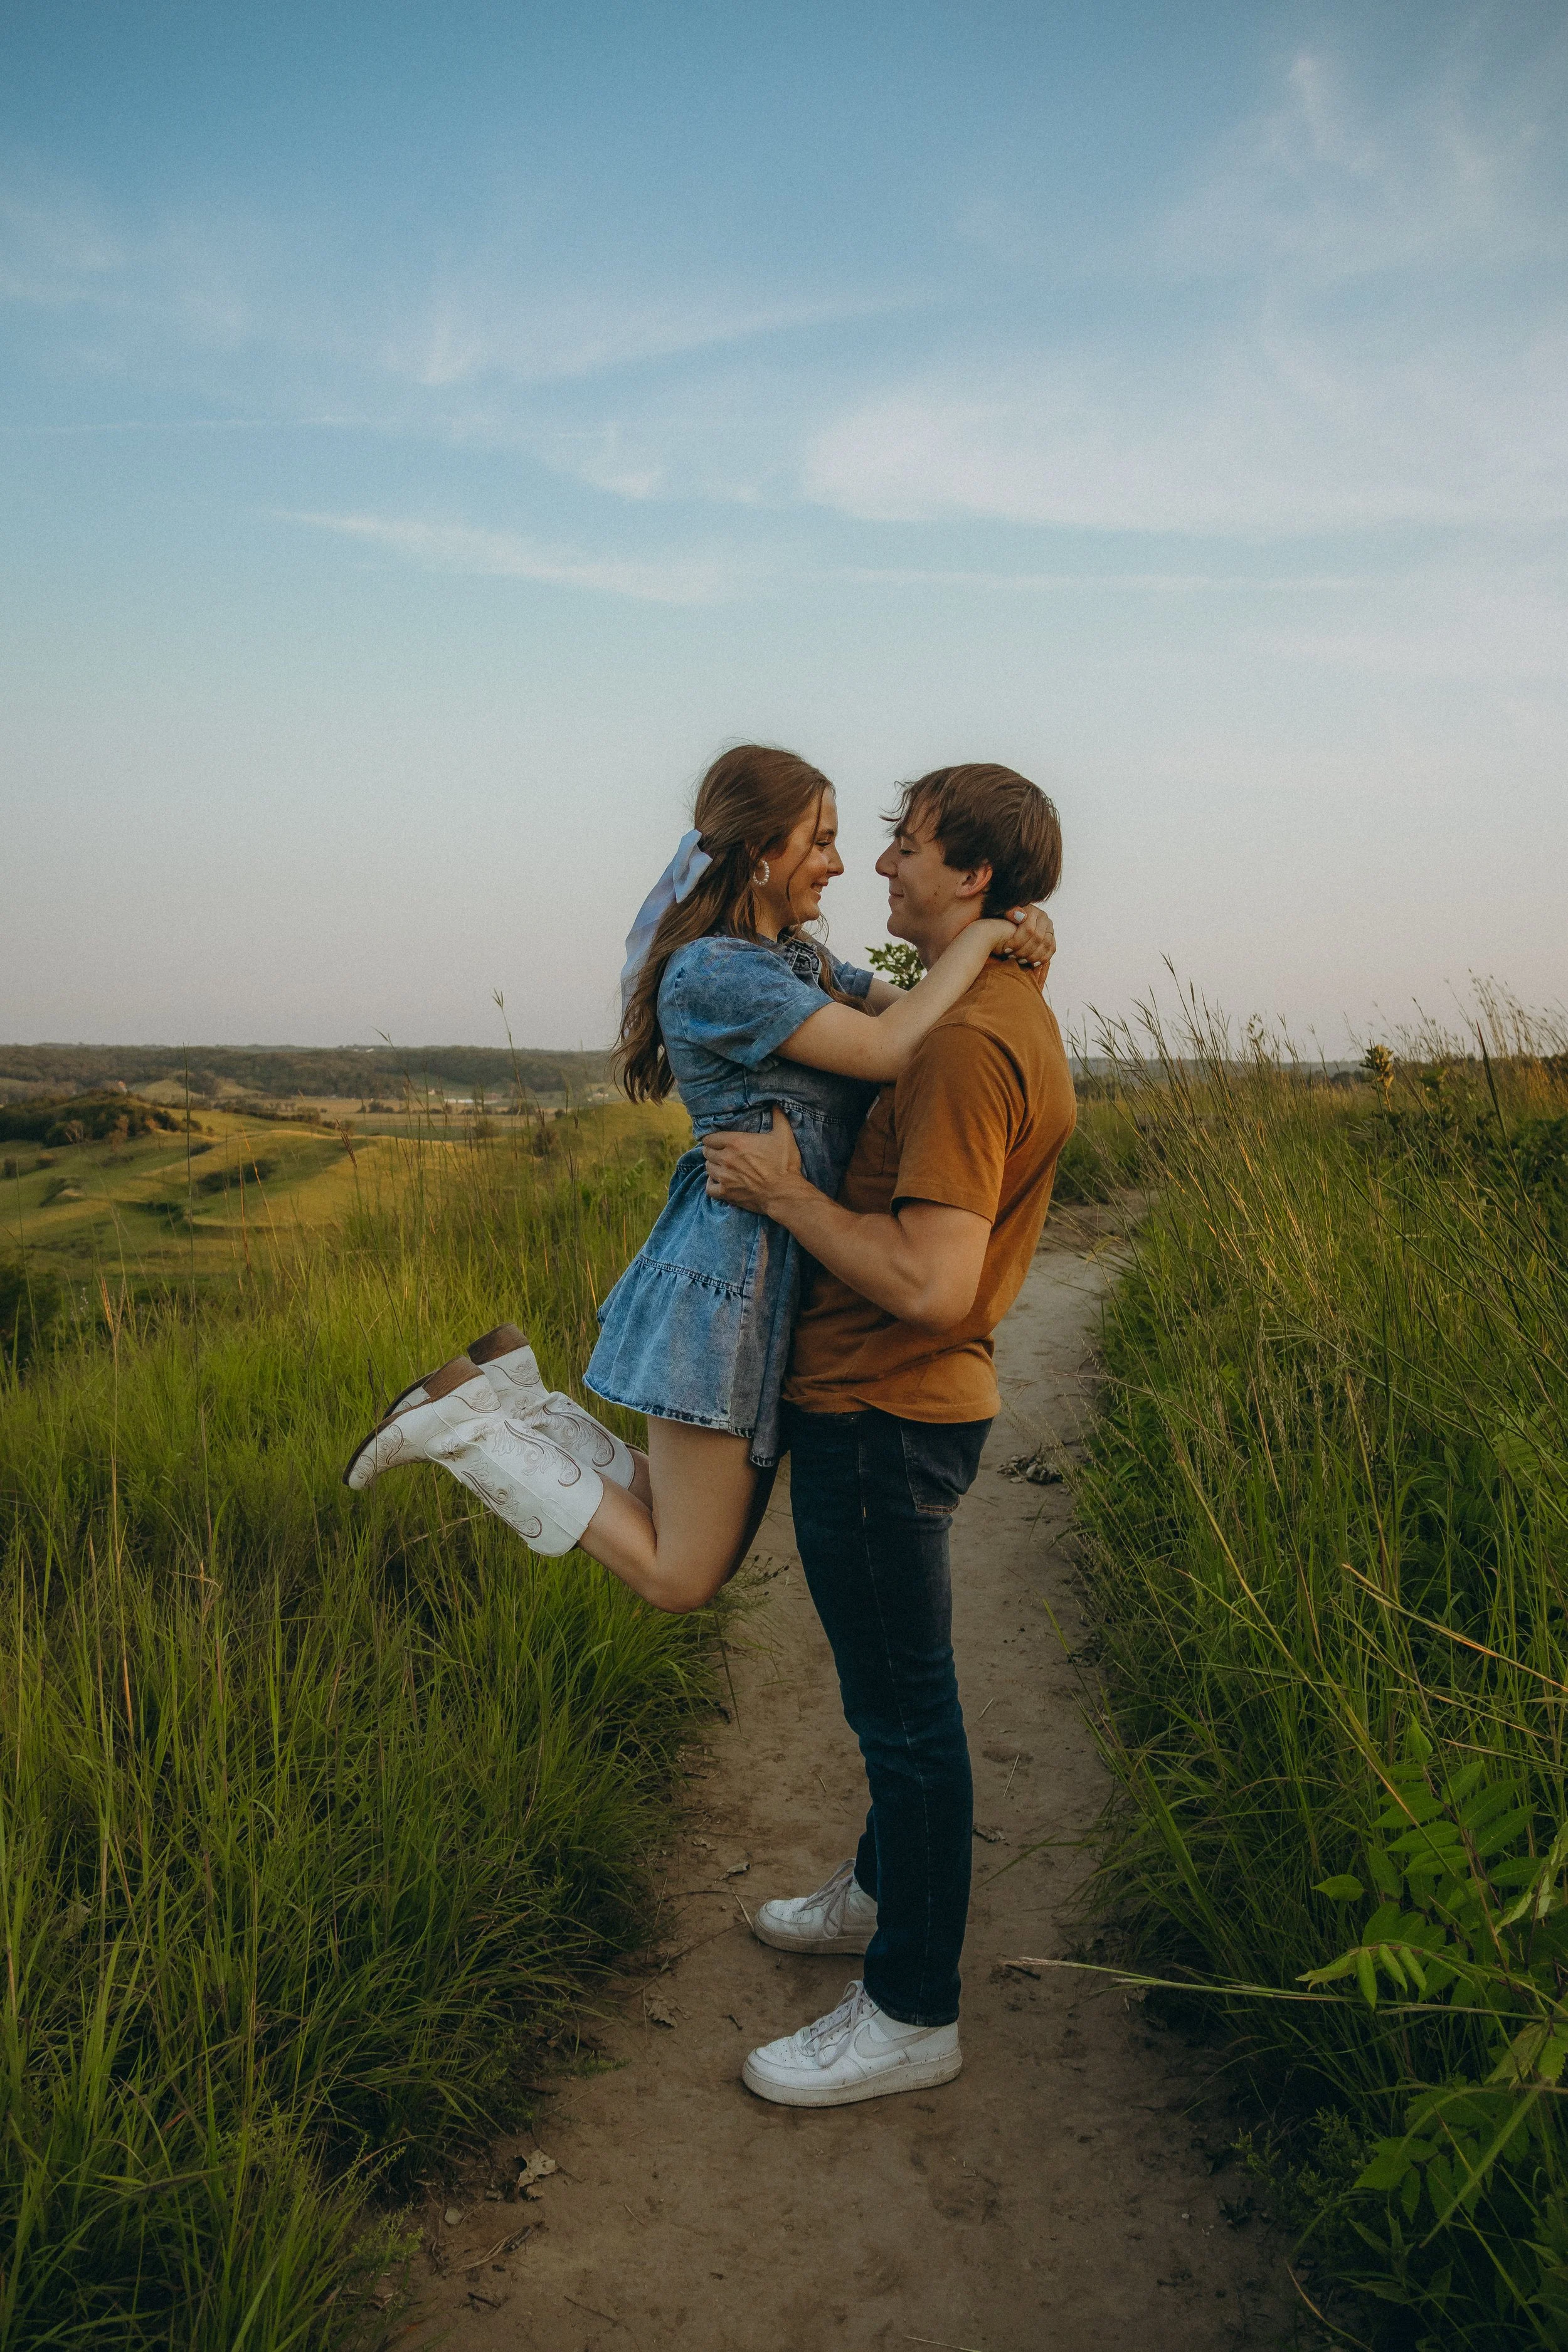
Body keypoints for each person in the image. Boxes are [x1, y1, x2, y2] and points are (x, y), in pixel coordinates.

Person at [343, 746, 1055, 1613]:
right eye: (820, 842)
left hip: (764, 1278)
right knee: (681, 1573)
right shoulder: (719, 973)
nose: (841, 864)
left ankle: (518, 1402)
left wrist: (1019, 954)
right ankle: (473, 1429)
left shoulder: (801, 964)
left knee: (668, 1510)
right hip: (724, 1288)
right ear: (761, 852)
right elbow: (888, 1045)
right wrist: (986, 931)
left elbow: (917, 1013)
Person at [697, 762, 1076, 2109]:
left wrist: (786, 1199)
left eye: (906, 847)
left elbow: (932, 1282)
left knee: (907, 1718)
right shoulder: (975, 1006)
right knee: (892, 1699)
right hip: (899, 1407)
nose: (878, 868)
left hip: (880, 1411)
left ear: (970, 875)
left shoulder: (969, 1044)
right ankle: (874, 1890)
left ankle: (911, 2008)